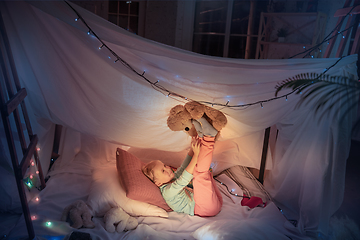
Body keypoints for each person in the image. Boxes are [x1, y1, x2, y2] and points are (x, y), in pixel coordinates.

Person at [142, 117, 223, 217]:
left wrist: (192, 149)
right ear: (158, 183)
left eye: (165, 165)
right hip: (205, 209)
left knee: (201, 172)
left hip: (216, 201)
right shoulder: (167, 192)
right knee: (199, 173)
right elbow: (184, 179)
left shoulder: (171, 179)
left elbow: (183, 168)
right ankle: (209, 138)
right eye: (163, 171)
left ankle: (202, 136)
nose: (168, 168)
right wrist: (196, 156)